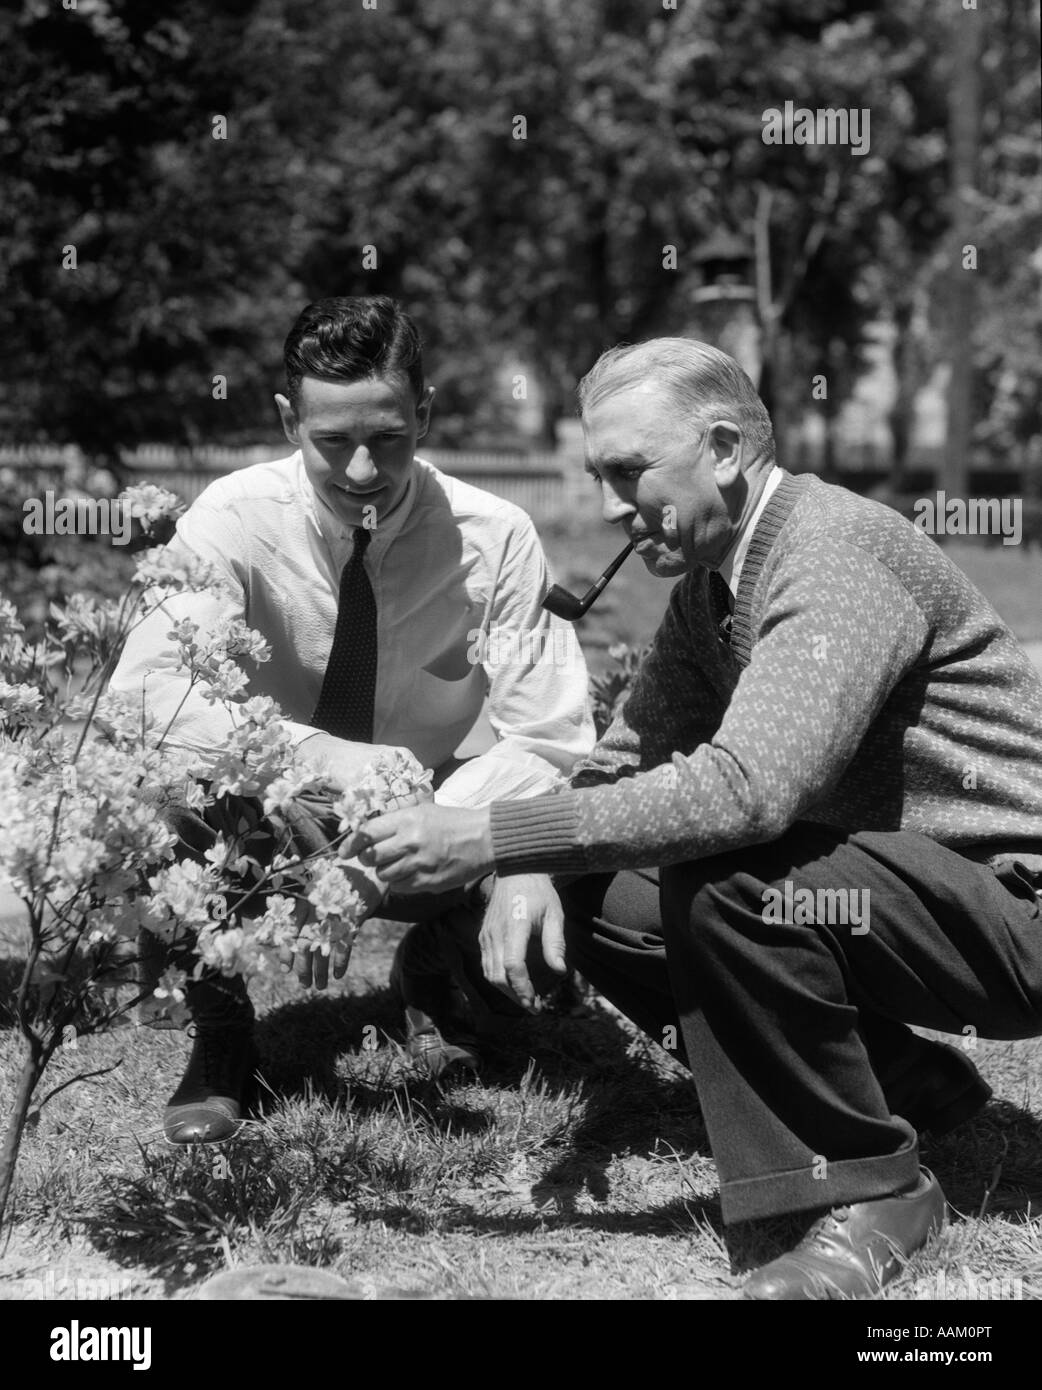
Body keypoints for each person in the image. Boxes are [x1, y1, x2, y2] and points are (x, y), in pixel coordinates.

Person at [352, 337, 1042, 1300]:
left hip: (1013, 912)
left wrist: (493, 836)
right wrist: (532, 864)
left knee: (736, 877)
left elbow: (749, 789)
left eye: (628, 472)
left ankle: (880, 1192)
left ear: (722, 448)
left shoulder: (831, 551)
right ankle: (899, 1082)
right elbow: (621, 763)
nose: (606, 506)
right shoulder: (714, 584)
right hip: (906, 901)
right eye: (599, 476)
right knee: (595, 874)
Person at [110, 295, 595, 1142]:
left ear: (426, 412)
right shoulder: (229, 518)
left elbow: (549, 738)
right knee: (157, 792)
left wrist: (426, 827)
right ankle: (221, 1035)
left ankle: (440, 973)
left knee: (569, 850)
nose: (364, 470)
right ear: (288, 418)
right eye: (333, 442)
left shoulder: (500, 537)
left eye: (390, 438)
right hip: (263, 809)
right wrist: (324, 757)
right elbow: (150, 695)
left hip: (422, 816)